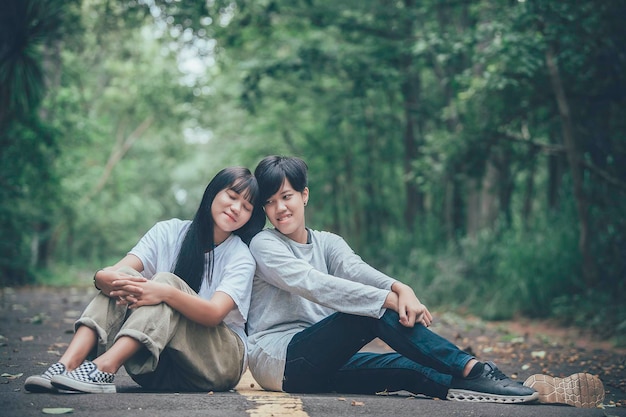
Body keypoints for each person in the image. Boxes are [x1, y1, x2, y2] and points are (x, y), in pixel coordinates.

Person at [245, 155, 605, 408]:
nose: (280, 209)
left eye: (287, 196)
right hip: (281, 361)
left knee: (409, 372)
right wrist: (388, 300)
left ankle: (521, 390)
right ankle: (474, 368)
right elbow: (313, 284)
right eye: (271, 201)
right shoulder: (265, 243)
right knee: (365, 311)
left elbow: (357, 270)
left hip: (322, 361)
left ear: (304, 195)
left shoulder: (328, 241)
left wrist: (402, 288)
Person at [24, 166, 266, 394]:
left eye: (246, 207)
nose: (236, 208)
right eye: (232, 196)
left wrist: (165, 293)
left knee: (164, 283)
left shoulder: (240, 256)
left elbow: (214, 313)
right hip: (159, 365)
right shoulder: (168, 232)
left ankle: (105, 367)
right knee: (127, 277)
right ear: (213, 192)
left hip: (218, 364)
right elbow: (114, 273)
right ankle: (67, 365)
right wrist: (101, 277)